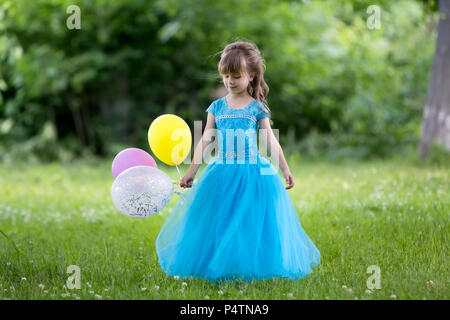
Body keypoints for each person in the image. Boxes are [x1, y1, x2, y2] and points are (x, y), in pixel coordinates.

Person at [156, 41, 320, 282]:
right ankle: (218, 264)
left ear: (251, 75)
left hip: (252, 171)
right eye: (225, 76)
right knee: (218, 218)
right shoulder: (217, 107)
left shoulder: (256, 108)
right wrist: (191, 171)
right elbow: (205, 140)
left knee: (250, 219)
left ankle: (249, 266)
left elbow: (270, 141)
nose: (230, 81)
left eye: (236, 76)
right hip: (221, 170)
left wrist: (285, 168)